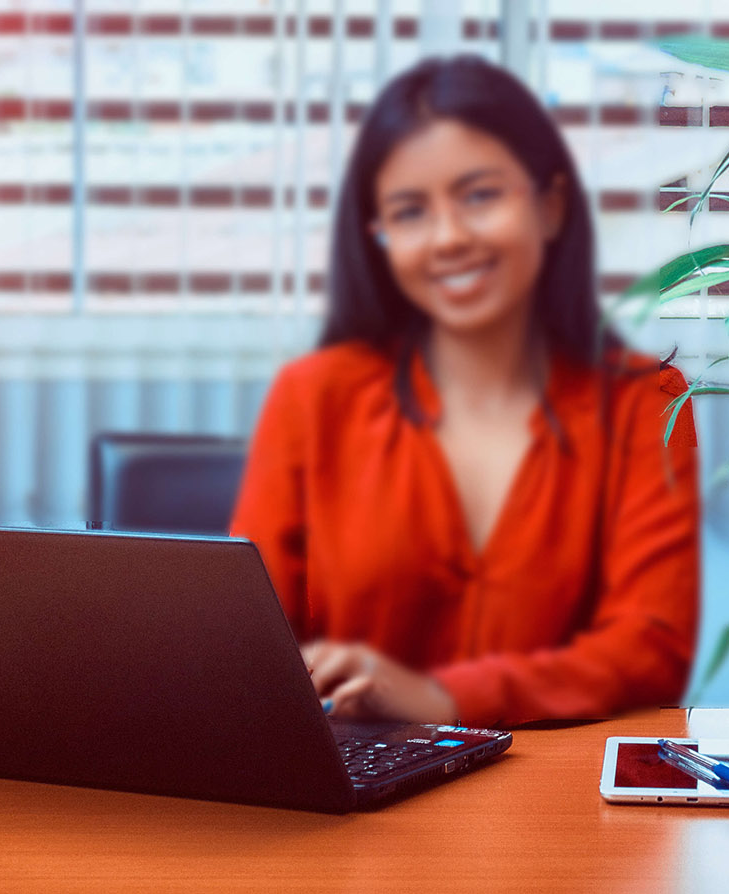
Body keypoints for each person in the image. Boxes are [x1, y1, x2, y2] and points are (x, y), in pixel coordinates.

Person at [230, 55, 699, 729]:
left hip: (569, 813)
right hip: (352, 805)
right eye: (410, 211)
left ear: (550, 205)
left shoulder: (644, 401)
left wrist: (444, 699)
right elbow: (250, 653)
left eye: (480, 195)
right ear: (380, 238)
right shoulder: (312, 399)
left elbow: (650, 648)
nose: (448, 237)